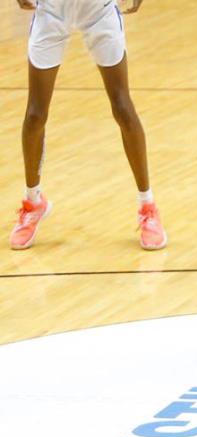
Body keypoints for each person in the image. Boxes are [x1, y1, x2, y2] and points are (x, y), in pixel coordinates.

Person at [11, 0, 166, 251]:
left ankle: (148, 207)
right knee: (35, 116)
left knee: (123, 108)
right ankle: (33, 202)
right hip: (52, 9)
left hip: (98, 9)